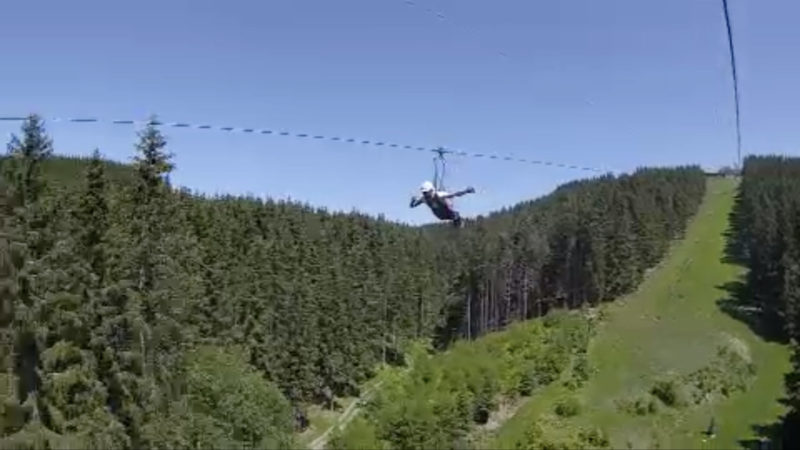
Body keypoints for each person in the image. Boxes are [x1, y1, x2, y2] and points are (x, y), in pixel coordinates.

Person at [410, 180, 475, 227]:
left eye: (426, 192)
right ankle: (458, 226)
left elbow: (455, 194)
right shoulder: (423, 199)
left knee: (456, 215)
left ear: (432, 190)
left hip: (448, 213)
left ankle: (459, 227)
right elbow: (412, 206)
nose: (425, 195)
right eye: (424, 193)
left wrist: (466, 191)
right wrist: (412, 201)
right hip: (441, 215)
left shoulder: (440, 195)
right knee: (455, 215)